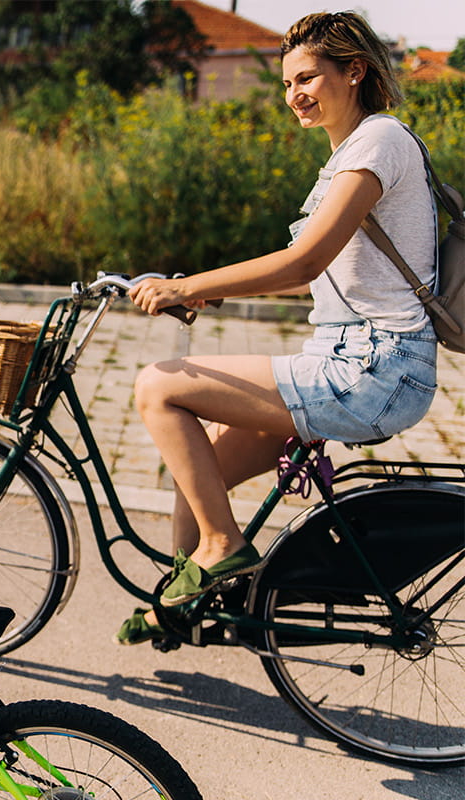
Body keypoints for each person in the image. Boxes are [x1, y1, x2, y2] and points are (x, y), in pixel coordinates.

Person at [117, 11, 440, 644]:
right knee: (197, 464)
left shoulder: (380, 141)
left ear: (355, 72)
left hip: (375, 368)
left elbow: (304, 259)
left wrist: (187, 285)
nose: (295, 95)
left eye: (308, 78)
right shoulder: (347, 155)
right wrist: (209, 299)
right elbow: (308, 277)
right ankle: (183, 605)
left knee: (157, 385)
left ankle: (220, 547)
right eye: (288, 83)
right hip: (352, 359)